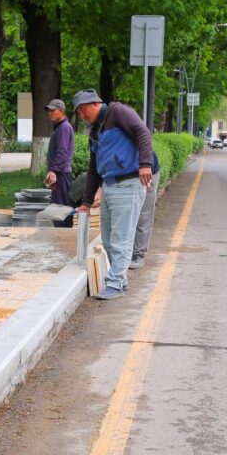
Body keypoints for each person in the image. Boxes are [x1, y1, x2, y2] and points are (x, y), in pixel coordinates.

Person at [73, 89, 153, 300]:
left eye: (83, 110)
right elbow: (93, 169)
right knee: (108, 240)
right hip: (109, 186)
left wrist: (145, 164)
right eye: (79, 112)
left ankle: (115, 282)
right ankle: (120, 279)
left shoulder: (118, 112)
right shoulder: (95, 131)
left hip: (128, 184)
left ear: (95, 103)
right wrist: (86, 202)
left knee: (121, 239)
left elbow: (143, 133)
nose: (82, 115)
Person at [43, 98, 75, 227]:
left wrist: (53, 171)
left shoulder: (64, 128)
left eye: (53, 110)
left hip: (61, 173)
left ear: (61, 111)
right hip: (60, 172)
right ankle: (61, 232)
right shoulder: (60, 127)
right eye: (49, 111)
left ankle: (63, 234)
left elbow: (62, 152)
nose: (50, 113)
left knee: (61, 207)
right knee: (59, 206)